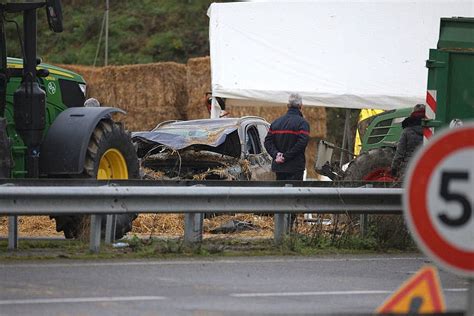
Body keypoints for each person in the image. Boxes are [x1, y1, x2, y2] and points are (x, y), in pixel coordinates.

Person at [264, 93, 310, 180]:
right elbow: (302, 143)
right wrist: (285, 156)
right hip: (295, 168)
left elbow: (267, 142)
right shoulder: (303, 123)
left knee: (280, 192)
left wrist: (276, 155)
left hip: (279, 167)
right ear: (301, 106)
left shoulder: (276, 122)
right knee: (295, 193)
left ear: (288, 105)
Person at [390, 103, 425, 179]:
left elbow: (399, 153)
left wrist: (394, 168)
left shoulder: (407, 131)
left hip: (408, 168)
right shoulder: (431, 130)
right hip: (424, 168)